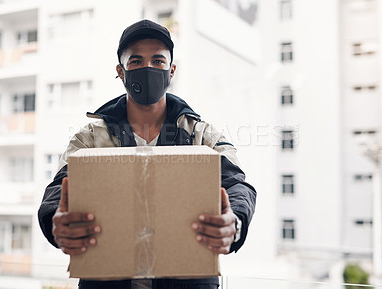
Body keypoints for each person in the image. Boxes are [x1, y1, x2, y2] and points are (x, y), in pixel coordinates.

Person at [38, 19, 257, 289]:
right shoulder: (90, 138)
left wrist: (233, 223)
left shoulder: (203, 135)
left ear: (171, 70)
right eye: (136, 62)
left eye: (158, 61)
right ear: (121, 71)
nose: (148, 68)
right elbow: (59, 189)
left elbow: (238, 186)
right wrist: (54, 223)